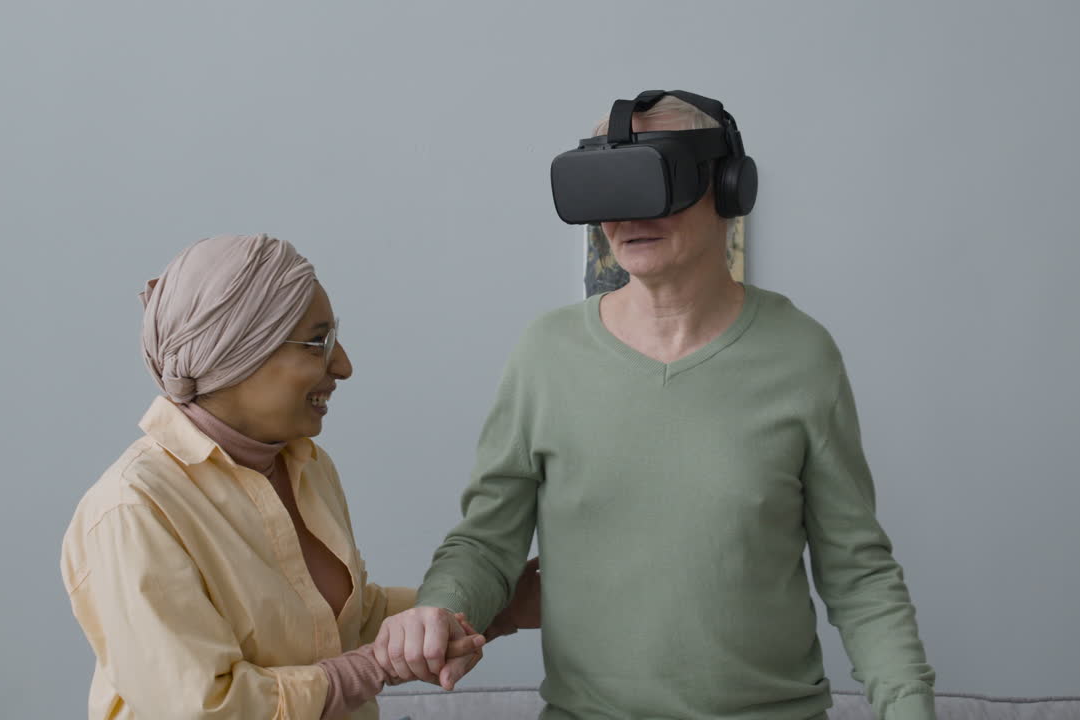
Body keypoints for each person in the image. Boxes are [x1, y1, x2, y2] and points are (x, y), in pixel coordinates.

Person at [374, 94, 937, 719]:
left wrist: (909, 705)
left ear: (727, 188)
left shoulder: (802, 354)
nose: (628, 215)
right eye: (609, 188)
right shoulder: (545, 355)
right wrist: (439, 607)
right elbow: (485, 544)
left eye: (655, 181)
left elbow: (858, 573)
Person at [60, 234, 505, 720]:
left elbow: (339, 622)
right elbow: (205, 708)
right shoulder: (132, 510)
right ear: (236, 354)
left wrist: (488, 603)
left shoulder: (307, 465)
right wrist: (373, 668)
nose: (344, 365)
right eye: (318, 343)